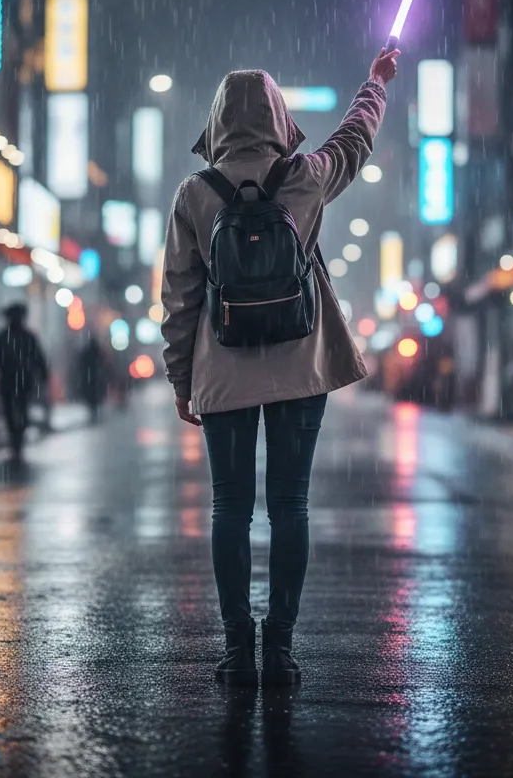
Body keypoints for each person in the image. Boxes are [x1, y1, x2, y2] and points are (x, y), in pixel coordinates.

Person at [160, 48, 399, 687]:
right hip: (301, 362)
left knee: (229, 509)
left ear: (217, 120)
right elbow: (355, 140)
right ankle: (281, 649)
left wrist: (181, 378)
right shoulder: (305, 177)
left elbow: (180, 298)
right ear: (277, 115)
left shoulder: (195, 193)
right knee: (291, 503)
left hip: (223, 367)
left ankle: (238, 650)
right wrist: (374, 83)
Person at [0, 303, 49, 457]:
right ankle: (17, 435)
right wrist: (42, 374)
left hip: (13, 380)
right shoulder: (24, 337)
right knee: (19, 408)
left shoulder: (4, 337)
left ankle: (16, 436)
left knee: (14, 408)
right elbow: (39, 358)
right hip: (18, 380)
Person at [77, 333, 108, 423]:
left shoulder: (86, 353)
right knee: (94, 396)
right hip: (94, 379)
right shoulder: (98, 353)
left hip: (90, 379)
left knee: (91, 396)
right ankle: (94, 411)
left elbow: (80, 365)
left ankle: (93, 411)